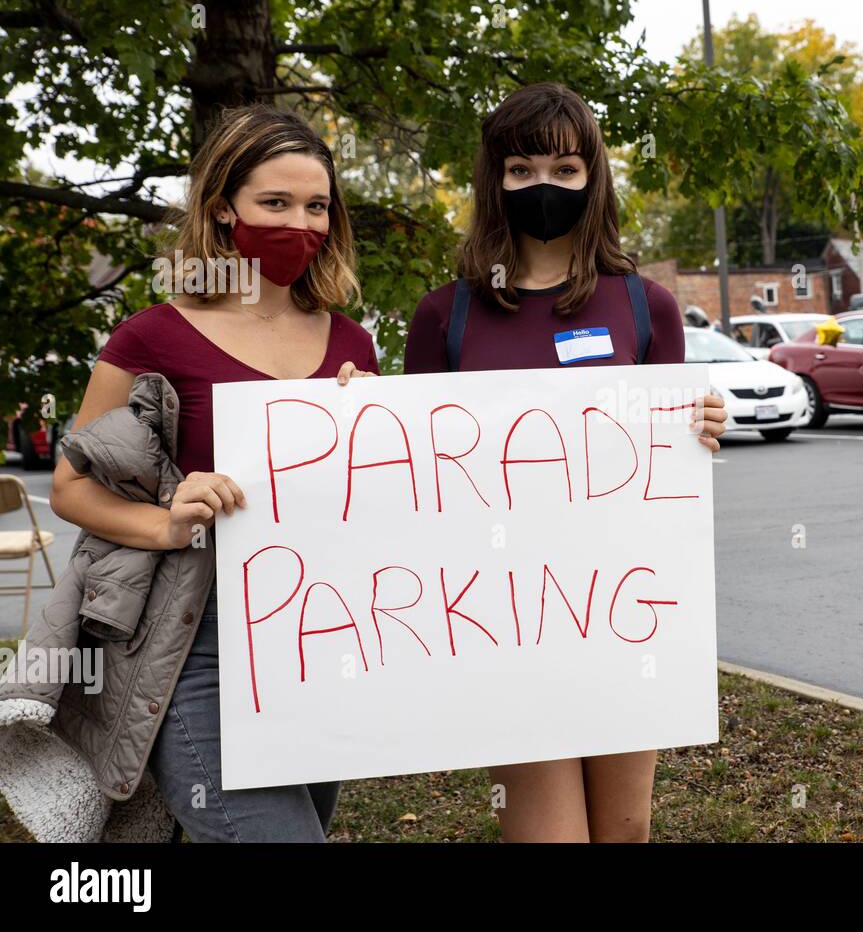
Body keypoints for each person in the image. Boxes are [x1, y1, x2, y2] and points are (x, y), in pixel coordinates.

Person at [405, 82, 728, 842]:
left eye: (563, 169)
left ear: (594, 179)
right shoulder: (443, 316)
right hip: (506, 620)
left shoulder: (645, 306)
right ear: (494, 181)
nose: (541, 187)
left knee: (627, 833)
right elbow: (413, 478)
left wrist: (701, 429)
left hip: (625, 611)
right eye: (519, 170)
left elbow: (666, 469)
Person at [48, 104, 379, 841]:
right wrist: (166, 518)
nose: (302, 222)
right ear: (225, 207)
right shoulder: (152, 335)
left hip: (311, 645)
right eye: (276, 202)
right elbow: (73, 486)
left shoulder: (353, 341)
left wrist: (372, 425)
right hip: (192, 650)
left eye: (317, 205)